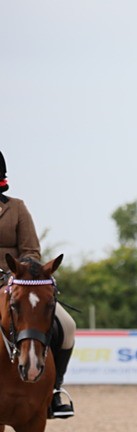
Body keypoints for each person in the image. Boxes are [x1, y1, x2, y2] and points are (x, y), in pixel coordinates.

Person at [0, 150, 76, 418]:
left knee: (67, 325)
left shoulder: (16, 207)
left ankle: (54, 391)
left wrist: (19, 271)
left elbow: (31, 249)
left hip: (16, 281)